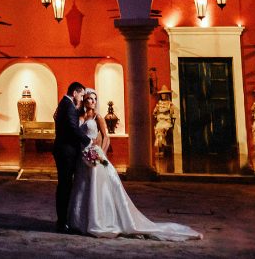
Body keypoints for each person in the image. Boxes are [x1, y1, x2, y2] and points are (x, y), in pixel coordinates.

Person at [68, 89, 201, 241]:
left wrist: (100, 155)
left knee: (98, 189)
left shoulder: (98, 117)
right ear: (84, 100)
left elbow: (106, 137)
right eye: (89, 99)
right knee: (83, 188)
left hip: (96, 156)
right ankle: (81, 222)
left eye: (94, 99)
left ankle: (99, 221)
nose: (92, 101)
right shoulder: (80, 116)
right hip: (82, 156)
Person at [53, 81, 90, 233]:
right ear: (74, 93)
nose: (82, 99)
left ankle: (64, 220)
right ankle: (62, 222)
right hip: (66, 151)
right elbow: (72, 127)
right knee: (65, 186)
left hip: (65, 150)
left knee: (65, 185)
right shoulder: (68, 106)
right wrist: (88, 141)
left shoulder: (65, 104)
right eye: (81, 95)